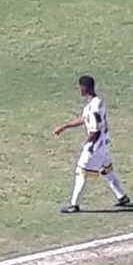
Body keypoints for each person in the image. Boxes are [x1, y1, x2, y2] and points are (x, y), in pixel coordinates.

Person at [54, 76, 131, 213]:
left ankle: (74, 205)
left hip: (95, 146)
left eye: (80, 86)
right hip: (104, 145)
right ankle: (122, 197)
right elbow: (83, 119)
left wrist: (86, 144)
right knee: (106, 170)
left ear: (85, 88)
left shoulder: (94, 107)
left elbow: (94, 131)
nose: (79, 89)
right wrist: (64, 127)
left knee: (81, 172)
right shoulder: (95, 102)